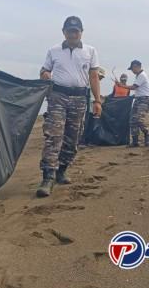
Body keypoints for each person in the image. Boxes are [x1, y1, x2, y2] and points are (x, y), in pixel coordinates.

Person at [38, 16, 102, 197]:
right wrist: (45, 74)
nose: (73, 34)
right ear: (63, 32)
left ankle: (62, 169)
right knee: (53, 135)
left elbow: (94, 77)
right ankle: (48, 176)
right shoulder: (53, 51)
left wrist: (97, 101)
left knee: (73, 137)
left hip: (79, 98)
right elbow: (44, 70)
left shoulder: (90, 51)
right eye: (69, 31)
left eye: (76, 31)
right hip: (57, 96)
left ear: (81, 32)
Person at [115, 60, 149, 147]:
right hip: (138, 99)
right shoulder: (138, 76)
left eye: (132, 69)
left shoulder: (142, 75)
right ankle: (135, 141)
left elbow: (134, 87)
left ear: (136, 66)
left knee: (139, 120)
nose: (132, 71)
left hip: (144, 100)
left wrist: (121, 85)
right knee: (132, 120)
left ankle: (147, 134)